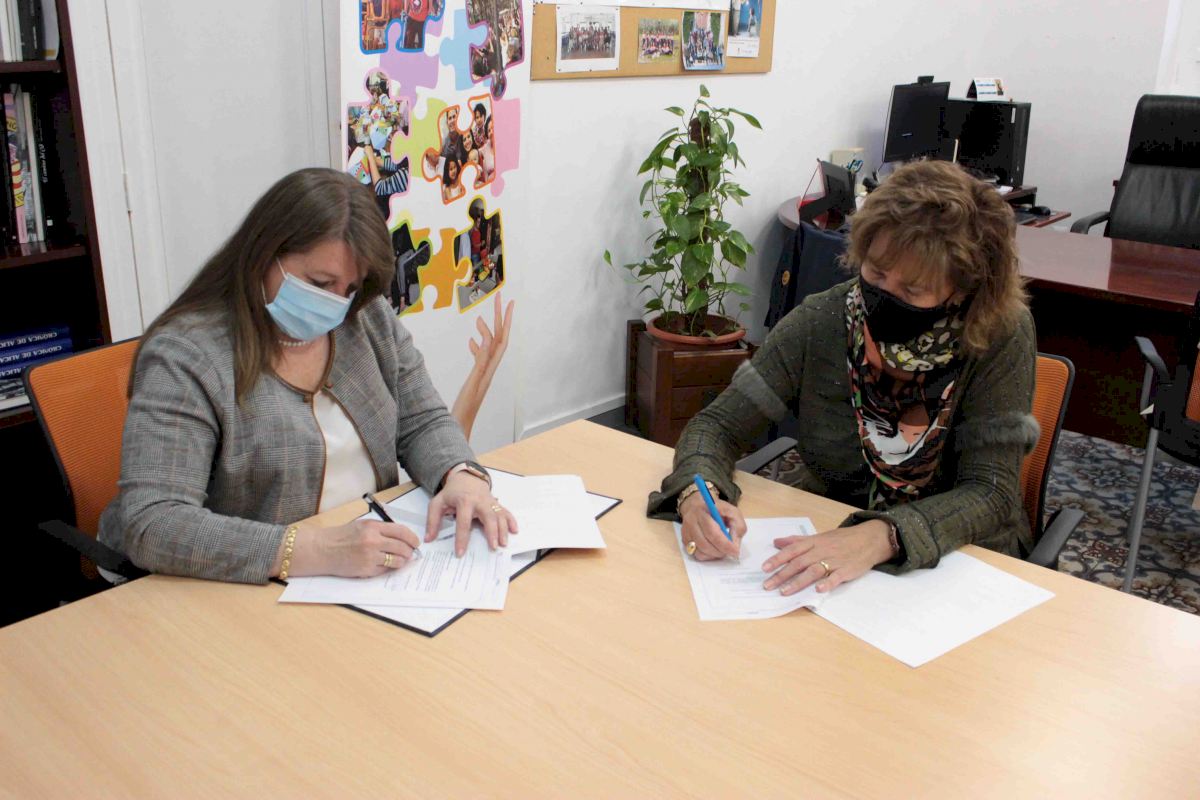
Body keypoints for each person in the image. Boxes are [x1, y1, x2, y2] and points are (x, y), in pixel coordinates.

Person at [99, 168, 517, 585]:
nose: (335, 304)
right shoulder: (187, 355)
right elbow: (154, 523)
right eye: (320, 282)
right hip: (242, 584)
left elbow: (422, 420)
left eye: (349, 288)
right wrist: (314, 550)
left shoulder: (366, 318)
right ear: (264, 255)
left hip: (363, 566)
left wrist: (460, 475)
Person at [648, 160, 1037, 597]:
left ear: (963, 289)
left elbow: (991, 491)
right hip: (827, 539)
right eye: (876, 272)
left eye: (913, 290)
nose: (884, 295)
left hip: (957, 560)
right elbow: (718, 426)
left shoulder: (997, 333)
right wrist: (698, 493)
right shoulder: (824, 320)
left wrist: (882, 536)